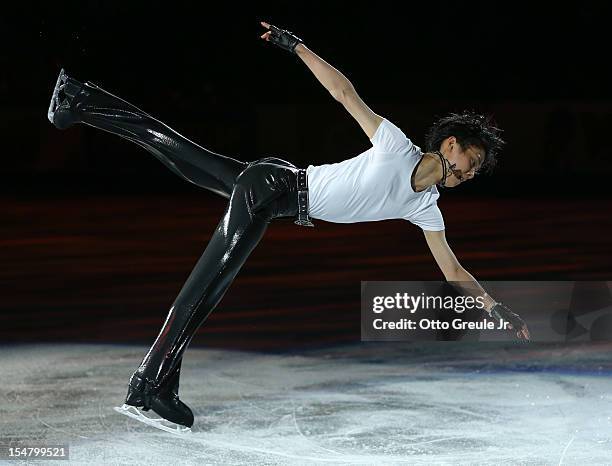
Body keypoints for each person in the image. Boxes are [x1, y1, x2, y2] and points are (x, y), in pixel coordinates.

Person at [46, 21, 530, 433]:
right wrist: (295, 45)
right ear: (448, 146)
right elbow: (344, 92)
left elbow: (453, 270)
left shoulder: (426, 207)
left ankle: (79, 97)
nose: (470, 172)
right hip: (270, 189)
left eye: (475, 171)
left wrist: (496, 309)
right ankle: (147, 384)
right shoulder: (394, 145)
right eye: (471, 160)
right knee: (208, 283)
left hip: (273, 193)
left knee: (176, 153)